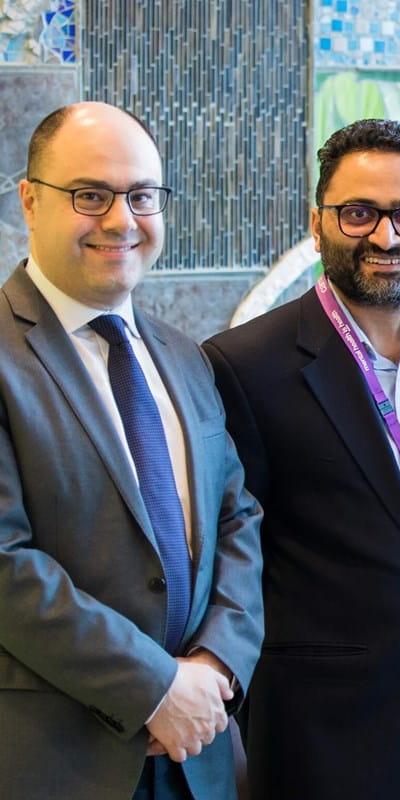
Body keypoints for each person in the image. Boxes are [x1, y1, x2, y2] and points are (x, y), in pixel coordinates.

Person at [204, 118, 400, 799]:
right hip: (329, 735)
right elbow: (233, 556)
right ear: (318, 225)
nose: (386, 236)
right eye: (359, 213)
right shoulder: (243, 366)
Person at [0, 101, 264, 799]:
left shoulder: (184, 356)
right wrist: (155, 689)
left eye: (142, 196)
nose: (121, 220)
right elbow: (4, 562)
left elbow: (238, 516)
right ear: (29, 200)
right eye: (90, 195)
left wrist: (216, 666)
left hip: (199, 754)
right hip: (57, 759)